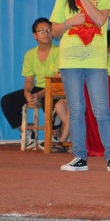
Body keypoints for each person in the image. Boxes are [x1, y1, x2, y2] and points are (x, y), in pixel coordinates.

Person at [50, 0, 110, 172]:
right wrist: (69, 23)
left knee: (101, 109)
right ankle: (79, 157)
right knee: (76, 109)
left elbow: (100, 20)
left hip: (95, 61)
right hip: (70, 60)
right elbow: (54, 31)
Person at [1, 18, 69, 152]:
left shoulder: (59, 52)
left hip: (55, 88)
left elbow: (56, 80)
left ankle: (56, 138)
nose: (46, 33)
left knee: (49, 102)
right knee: (7, 101)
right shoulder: (30, 55)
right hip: (39, 88)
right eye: (41, 31)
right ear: (35, 35)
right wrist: (27, 93)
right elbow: (29, 81)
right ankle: (28, 133)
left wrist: (40, 95)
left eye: (49, 30)